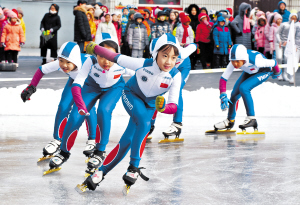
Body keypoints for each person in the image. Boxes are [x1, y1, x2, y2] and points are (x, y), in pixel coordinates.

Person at [79, 33, 188, 191]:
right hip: (131, 94)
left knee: (128, 140)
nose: (169, 62)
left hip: (149, 106)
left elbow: (174, 105)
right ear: (156, 53)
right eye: (165, 56)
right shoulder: (143, 63)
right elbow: (115, 56)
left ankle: (100, 174)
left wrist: (163, 108)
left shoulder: (175, 76)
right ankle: (133, 167)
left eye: (173, 57)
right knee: (144, 124)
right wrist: (95, 48)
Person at [47, 34, 135, 173]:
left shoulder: (122, 62)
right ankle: (64, 151)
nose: (106, 61)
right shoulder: (90, 60)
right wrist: (80, 105)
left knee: (103, 111)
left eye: (110, 56)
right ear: (96, 54)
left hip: (114, 88)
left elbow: (141, 74)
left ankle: (100, 151)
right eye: (101, 56)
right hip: (91, 87)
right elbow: (77, 83)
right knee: (75, 115)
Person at [20, 42, 97, 160]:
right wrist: (31, 87)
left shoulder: (87, 64)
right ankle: (57, 139)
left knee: (87, 108)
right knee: (63, 106)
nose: (63, 65)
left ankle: (92, 140)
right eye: (61, 61)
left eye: (68, 63)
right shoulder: (61, 63)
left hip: (89, 83)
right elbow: (41, 70)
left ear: (75, 61)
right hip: (74, 81)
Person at [213, 44, 281, 131]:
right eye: (232, 61)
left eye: (237, 61)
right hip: (250, 71)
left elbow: (274, 62)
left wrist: (277, 72)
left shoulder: (257, 61)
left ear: (244, 58)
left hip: (264, 71)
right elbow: (223, 79)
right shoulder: (234, 62)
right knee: (234, 95)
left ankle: (251, 118)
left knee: (244, 88)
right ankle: (230, 121)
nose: (235, 64)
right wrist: (223, 95)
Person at [276, 13, 298, 81]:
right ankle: (278, 74)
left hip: (288, 45)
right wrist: (280, 41)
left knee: (286, 59)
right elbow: (277, 33)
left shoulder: (296, 26)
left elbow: (295, 37)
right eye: (292, 18)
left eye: (295, 18)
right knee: (279, 58)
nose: (293, 20)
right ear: (289, 18)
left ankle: (285, 74)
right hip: (279, 43)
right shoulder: (284, 24)